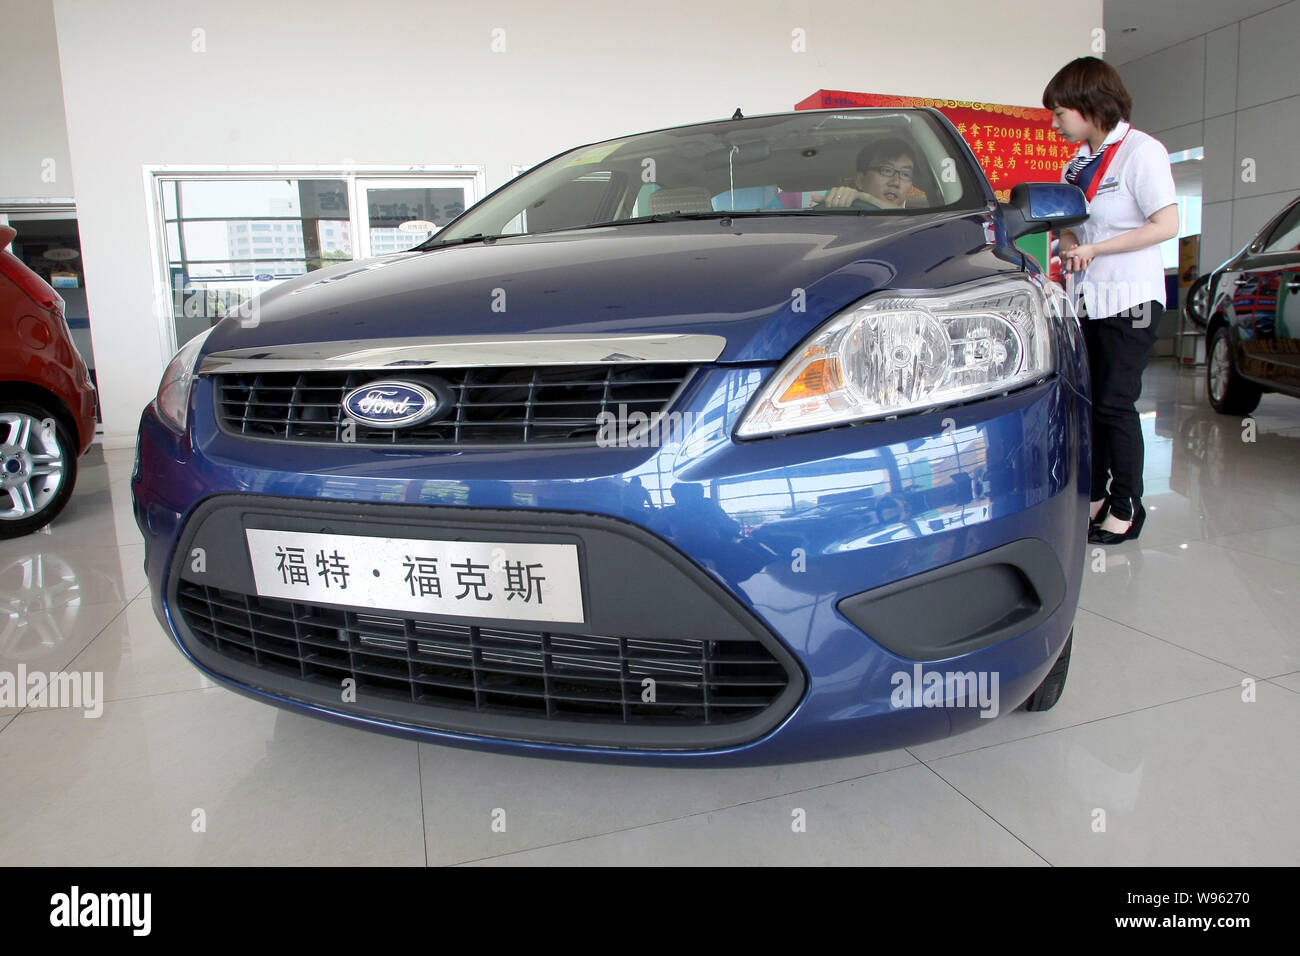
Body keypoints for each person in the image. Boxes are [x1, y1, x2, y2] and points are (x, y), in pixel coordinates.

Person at [1044, 56, 1178, 544]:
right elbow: (1079, 229)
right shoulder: (1077, 163)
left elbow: (1166, 226)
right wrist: (1065, 244)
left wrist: (1096, 248)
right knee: (1091, 404)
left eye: (1060, 113)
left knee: (1116, 404)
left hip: (1131, 298)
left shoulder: (1143, 152)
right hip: (1088, 300)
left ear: (1087, 105)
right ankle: (1096, 497)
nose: (1055, 123)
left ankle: (1127, 506)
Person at [810, 138, 916, 209]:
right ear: (860, 180)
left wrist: (865, 198)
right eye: (886, 170)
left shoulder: (925, 220)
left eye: (905, 174)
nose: (896, 182)